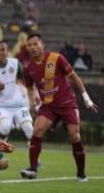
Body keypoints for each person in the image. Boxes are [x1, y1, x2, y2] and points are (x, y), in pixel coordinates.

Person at [20, 33, 98, 182]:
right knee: (36, 130)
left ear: (42, 44)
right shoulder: (28, 67)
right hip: (48, 107)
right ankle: (33, 169)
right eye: (29, 45)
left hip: (67, 103)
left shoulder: (56, 58)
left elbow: (74, 76)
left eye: (35, 44)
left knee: (75, 136)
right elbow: (30, 87)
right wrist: (32, 100)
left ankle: (81, 174)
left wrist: (86, 98)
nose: (32, 47)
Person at [0, 41, 33, 160]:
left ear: (7, 51)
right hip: (2, 105)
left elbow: (24, 79)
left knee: (29, 129)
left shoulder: (15, 63)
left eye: (2, 50)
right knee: (5, 127)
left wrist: (28, 94)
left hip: (19, 103)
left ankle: (34, 157)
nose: (0, 52)